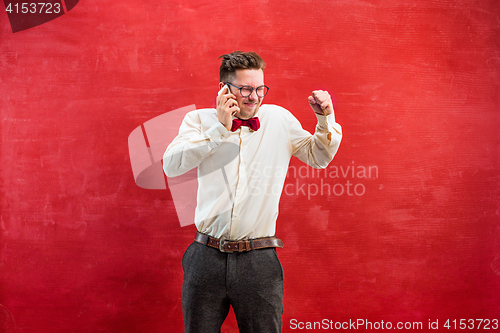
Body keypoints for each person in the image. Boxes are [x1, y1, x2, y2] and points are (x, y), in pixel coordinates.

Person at [163, 51, 342, 333]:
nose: (254, 96)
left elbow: (318, 156)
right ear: (225, 89)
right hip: (205, 257)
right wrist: (220, 130)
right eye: (246, 88)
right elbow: (171, 166)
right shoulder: (197, 121)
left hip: (259, 261)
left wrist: (325, 118)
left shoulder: (280, 119)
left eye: (260, 88)